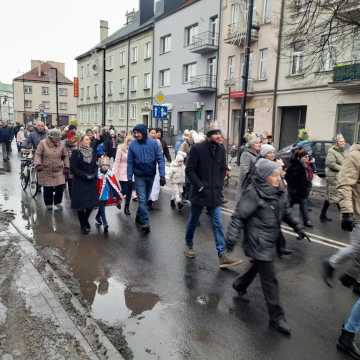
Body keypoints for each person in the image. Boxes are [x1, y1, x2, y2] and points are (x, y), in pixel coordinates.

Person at [227, 158, 307, 336]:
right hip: (258, 240)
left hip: (271, 238)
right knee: (270, 279)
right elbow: (239, 216)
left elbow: (286, 211)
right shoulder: (253, 193)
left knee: (259, 264)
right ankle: (277, 317)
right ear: (264, 177)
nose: (279, 178)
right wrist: (231, 238)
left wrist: (298, 227)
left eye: (280, 174)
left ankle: (240, 284)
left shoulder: (279, 191)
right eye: (275, 175)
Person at [184, 129, 242, 268]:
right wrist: (200, 186)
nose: (219, 137)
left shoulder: (221, 149)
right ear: (209, 136)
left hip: (214, 193)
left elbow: (222, 167)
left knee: (217, 223)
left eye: (220, 134)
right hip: (200, 193)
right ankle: (189, 244)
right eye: (216, 134)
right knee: (193, 220)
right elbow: (189, 170)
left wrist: (220, 183)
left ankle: (222, 255)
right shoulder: (197, 149)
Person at [323, 143, 360, 288]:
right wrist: (347, 213)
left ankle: (354, 278)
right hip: (357, 211)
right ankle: (331, 263)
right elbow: (344, 184)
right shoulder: (355, 157)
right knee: (357, 248)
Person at [127, 124, 165, 234]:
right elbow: (130, 162)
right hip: (139, 176)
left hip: (151, 175)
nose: (136, 134)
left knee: (146, 198)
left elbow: (160, 159)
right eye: (134, 133)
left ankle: (139, 216)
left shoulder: (153, 143)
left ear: (143, 132)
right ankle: (145, 223)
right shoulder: (133, 145)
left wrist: (162, 175)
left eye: (138, 132)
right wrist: (129, 177)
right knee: (142, 199)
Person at [34, 129, 69, 211]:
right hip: (46, 169)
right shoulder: (43, 143)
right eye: (56, 138)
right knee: (48, 188)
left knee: (60, 187)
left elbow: (65, 156)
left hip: (58, 169)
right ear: (50, 137)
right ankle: (48, 204)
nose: (58, 140)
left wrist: (67, 166)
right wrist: (38, 164)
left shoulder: (61, 144)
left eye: (59, 138)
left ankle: (58, 203)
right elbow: (38, 154)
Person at [70, 135, 98, 234]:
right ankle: (83, 224)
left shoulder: (93, 152)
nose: (89, 141)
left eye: (89, 139)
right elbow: (73, 168)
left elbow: (95, 165)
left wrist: (94, 174)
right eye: (86, 139)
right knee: (81, 205)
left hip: (91, 181)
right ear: (81, 141)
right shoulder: (76, 152)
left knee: (91, 204)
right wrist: (84, 175)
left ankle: (85, 219)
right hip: (80, 181)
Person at [320, 134, 346, 222]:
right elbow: (330, 163)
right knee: (338, 197)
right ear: (337, 142)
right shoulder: (332, 151)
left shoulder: (343, 151)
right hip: (333, 177)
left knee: (330, 197)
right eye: (341, 141)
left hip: (339, 177)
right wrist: (342, 168)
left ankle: (322, 215)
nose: (343, 143)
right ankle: (345, 219)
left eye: (343, 141)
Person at [285, 148, 313, 227]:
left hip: (302, 189)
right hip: (295, 190)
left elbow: (309, 175)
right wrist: (293, 187)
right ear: (298, 158)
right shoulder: (295, 167)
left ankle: (306, 221)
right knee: (288, 205)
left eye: (307, 156)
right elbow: (288, 178)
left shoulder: (305, 165)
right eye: (304, 157)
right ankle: (282, 217)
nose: (306, 158)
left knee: (303, 205)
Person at [95, 156, 122, 233]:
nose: (105, 167)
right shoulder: (97, 174)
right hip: (99, 195)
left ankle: (97, 217)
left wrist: (117, 199)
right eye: (103, 165)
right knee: (102, 209)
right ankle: (105, 223)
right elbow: (95, 185)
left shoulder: (110, 174)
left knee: (102, 208)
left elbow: (114, 186)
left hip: (107, 195)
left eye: (107, 165)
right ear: (100, 165)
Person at [113, 135, 133, 216]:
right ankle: (119, 199)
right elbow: (117, 161)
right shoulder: (121, 148)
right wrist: (114, 172)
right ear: (126, 141)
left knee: (129, 191)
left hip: (131, 172)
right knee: (124, 189)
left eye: (132, 141)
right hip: (122, 172)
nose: (130, 143)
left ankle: (127, 208)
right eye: (129, 141)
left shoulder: (134, 149)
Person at [148, 128, 163, 210]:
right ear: (149, 133)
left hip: (155, 165)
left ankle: (151, 201)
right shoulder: (145, 141)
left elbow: (160, 154)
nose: (153, 134)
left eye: (154, 133)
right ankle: (147, 199)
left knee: (155, 184)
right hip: (147, 165)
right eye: (152, 133)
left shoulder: (158, 142)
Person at [64, 129, 78, 198]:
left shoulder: (77, 144)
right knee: (70, 182)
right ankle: (72, 197)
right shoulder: (65, 145)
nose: (72, 139)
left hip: (76, 166)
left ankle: (75, 196)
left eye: (74, 137)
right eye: (71, 137)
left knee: (76, 182)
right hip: (68, 166)